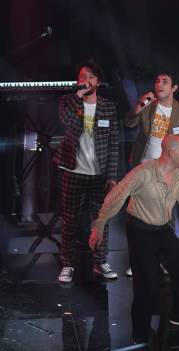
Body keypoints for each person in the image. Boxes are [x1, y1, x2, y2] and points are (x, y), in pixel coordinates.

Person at [89, 134, 179, 343]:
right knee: (147, 285)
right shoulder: (143, 173)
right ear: (171, 153)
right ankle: (140, 336)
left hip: (162, 230)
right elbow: (116, 197)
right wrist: (99, 225)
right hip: (139, 231)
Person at [53, 60, 120, 283]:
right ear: (77, 81)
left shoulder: (108, 107)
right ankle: (67, 264)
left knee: (101, 220)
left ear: (98, 82)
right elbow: (66, 123)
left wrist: (111, 176)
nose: (86, 81)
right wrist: (78, 98)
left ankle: (100, 262)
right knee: (70, 220)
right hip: (73, 170)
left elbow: (114, 143)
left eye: (91, 77)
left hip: (99, 175)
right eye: (82, 77)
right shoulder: (67, 102)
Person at [127, 71, 179, 191]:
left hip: (168, 170)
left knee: (167, 208)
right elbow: (129, 123)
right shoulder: (147, 105)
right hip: (143, 166)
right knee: (138, 208)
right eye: (157, 81)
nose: (159, 85)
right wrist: (138, 107)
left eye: (165, 82)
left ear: (174, 88)